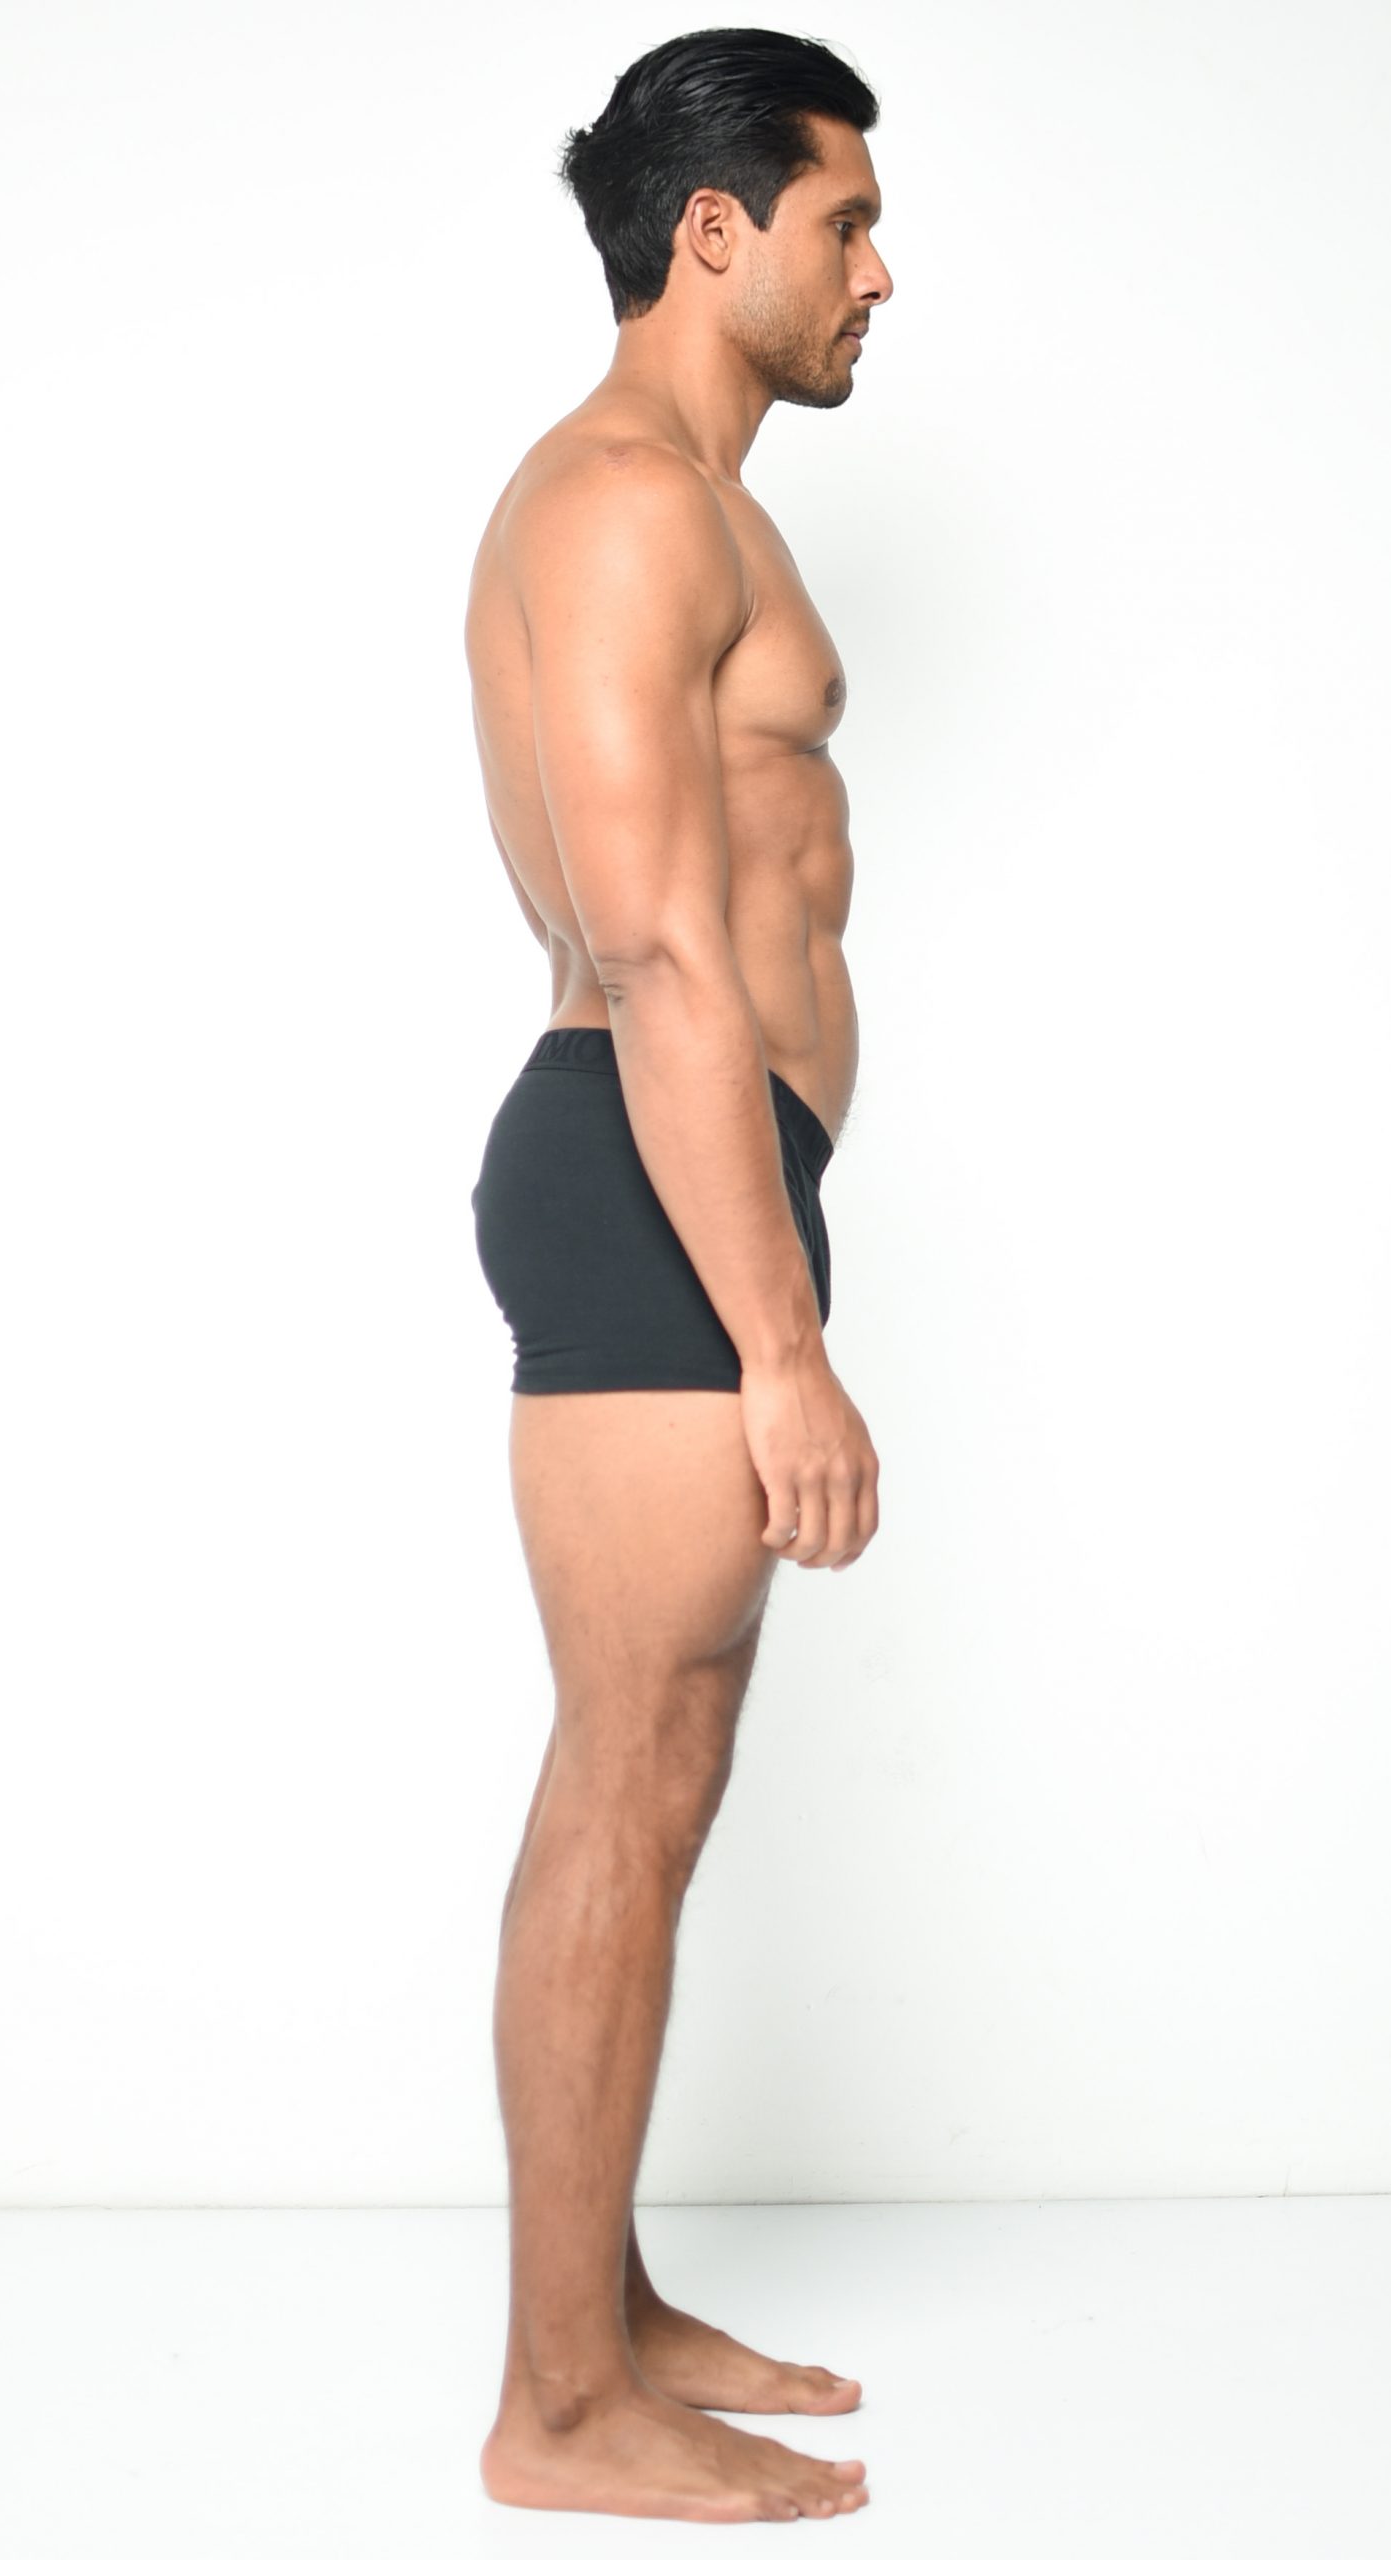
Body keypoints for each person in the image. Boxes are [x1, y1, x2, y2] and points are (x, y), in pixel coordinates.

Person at [463, 27, 890, 2526]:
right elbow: (648, 936)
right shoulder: (628, 501)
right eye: (844, 221)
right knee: (623, 1770)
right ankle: (556, 2404)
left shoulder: (690, 506)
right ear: (710, 230)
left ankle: (599, 2306)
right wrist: (785, 1343)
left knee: (667, 1762)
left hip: (701, 1178)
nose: (877, 273)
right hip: (652, 1184)